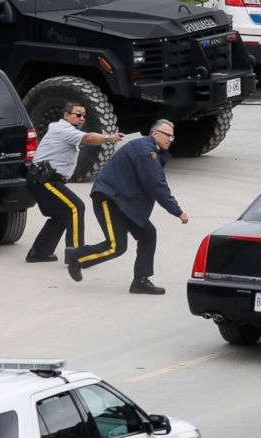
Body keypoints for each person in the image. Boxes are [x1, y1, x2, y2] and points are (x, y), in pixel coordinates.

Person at [64, 119, 189, 294]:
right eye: (167, 135)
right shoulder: (146, 151)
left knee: (148, 234)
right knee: (116, 246)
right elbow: (156, 184)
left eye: (172, 136)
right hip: (109, 198)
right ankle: (77, 256)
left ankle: (141, 281)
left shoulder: (151, 149)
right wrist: (177, 210)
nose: (170, 139)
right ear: (155, 134)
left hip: (124, 202)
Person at [25, 102, 124, 263]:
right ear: (66, 115)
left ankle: (39, 252)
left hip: (44, 179)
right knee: (76, 207)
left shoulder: (64, 129)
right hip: (44, 179)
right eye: (77, 114)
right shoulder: (63, 129)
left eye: (84, 115)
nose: (81, 118)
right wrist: (109, 138)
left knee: (61, 215)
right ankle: (76, 255)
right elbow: (88, 138)